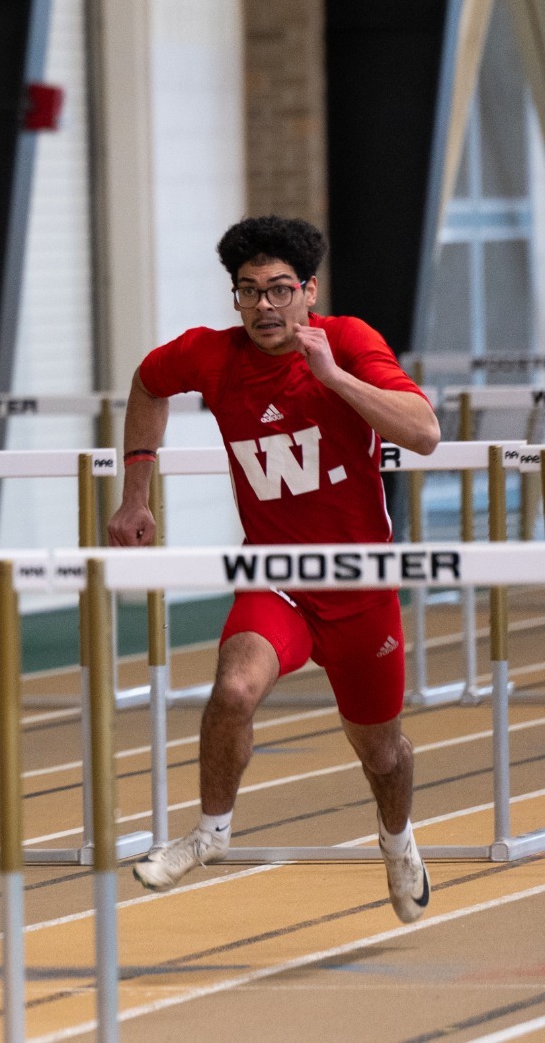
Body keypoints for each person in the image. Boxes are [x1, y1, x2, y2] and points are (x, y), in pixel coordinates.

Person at [111, 216, 441, 922]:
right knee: (233, 688)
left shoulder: (349, 341)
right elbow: (146, 382)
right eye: (248, 292)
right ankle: (210, 833)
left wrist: (333, 377)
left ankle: (397, 839)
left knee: (382, 756)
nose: (263, 306)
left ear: (307, 292)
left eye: (278, 291)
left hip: (359, 585)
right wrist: (135, 492)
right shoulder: (210, 355)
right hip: (278, 578)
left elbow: (424, 432)